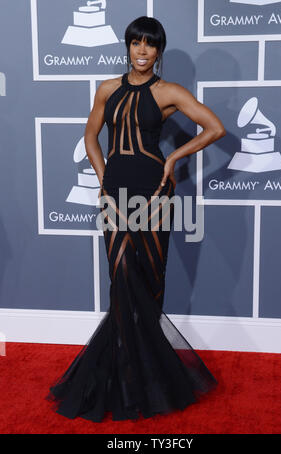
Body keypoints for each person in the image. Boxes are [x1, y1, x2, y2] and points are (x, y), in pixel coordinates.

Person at [46, 16, 226, 423]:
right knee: (122, 278)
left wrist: (176, 158)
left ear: (159, 51)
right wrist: (102, 174)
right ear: (127, 46)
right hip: (116, 192)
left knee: (146, 279)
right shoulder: (107, 89)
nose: (142, 51)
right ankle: (124, 378)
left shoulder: (169, 92)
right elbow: (91, 135)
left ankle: (145, 381)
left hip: (154, 193)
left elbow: (215, 127)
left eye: (150, 45)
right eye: (136, 43)